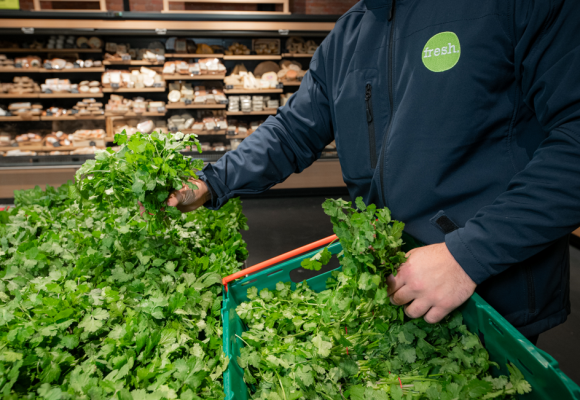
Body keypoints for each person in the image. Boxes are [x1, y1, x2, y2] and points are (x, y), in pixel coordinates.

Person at [167, 0, 580, 344]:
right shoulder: (349, 34)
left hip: (492, 289)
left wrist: (470, 255)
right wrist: (210, 182)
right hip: (390, 279)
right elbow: (293, 130)